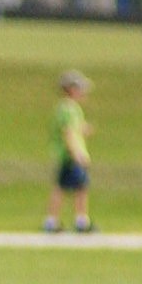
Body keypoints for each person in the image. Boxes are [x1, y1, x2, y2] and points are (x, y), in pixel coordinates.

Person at [45, 70, 93, 236]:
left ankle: (52, 221)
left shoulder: (67, 109)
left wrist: (83, 129)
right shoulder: (69, 109)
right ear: (72, 89)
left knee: (61, 187)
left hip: (66, 155)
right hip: (71, 156)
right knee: (81, 187)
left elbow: (73, 127)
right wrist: (78, 154)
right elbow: (68, 132)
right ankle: (81, 221)